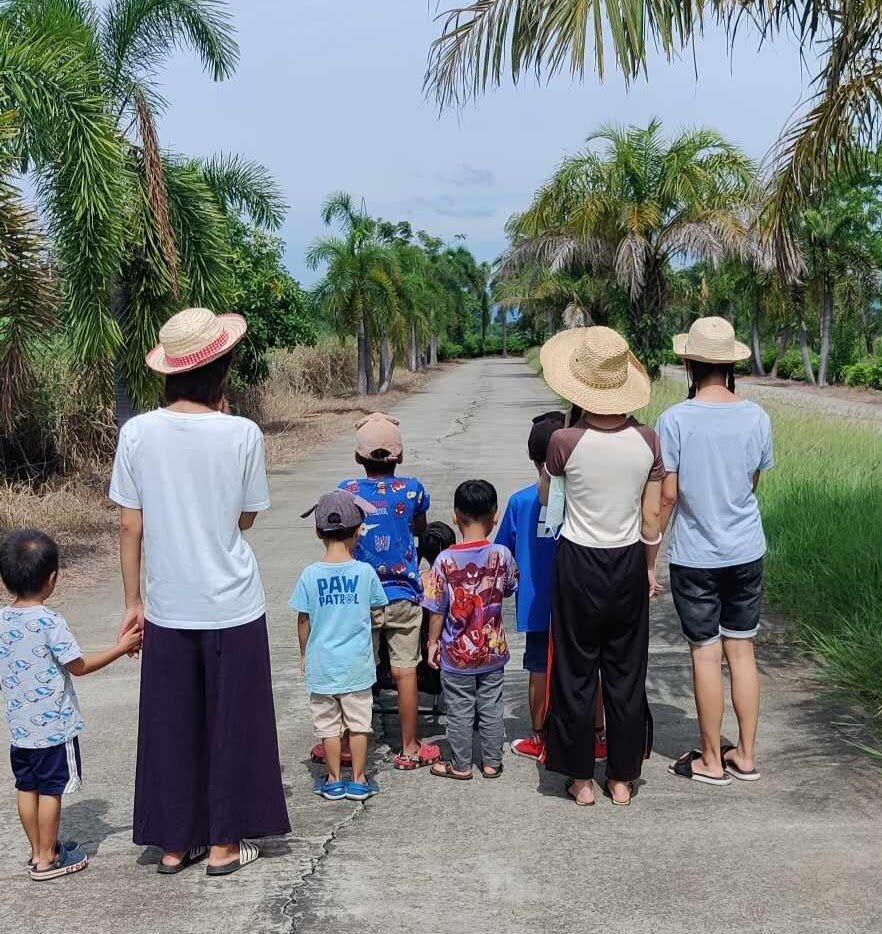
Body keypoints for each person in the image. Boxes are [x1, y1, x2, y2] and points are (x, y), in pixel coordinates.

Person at [111, 307, 290, 877]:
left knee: (171, 724)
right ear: (222, 368)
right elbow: (245, 519)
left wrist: (133, 602)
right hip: (232, 601)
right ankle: (223, 846)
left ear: (169, 371)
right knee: (233, 723)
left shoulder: (136, 432)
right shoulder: (242, 433)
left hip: (168, 603)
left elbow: (130, 525)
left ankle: (173, 843)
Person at [539, 326, 663, 807]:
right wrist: (649, 569)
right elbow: (651, 518)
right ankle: (622, 778)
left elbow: (549, 499)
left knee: (575, 671)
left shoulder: (563, 441)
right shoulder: (647, 440)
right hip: (627, 560)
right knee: (625, 672)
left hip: (577, 561)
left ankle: (580, 779)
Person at [657, 316, 773, 786]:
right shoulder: (756, 416)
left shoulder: (675, 419)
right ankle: (745, 754)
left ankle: (710, 759)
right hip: (746, 549)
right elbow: (752, 482)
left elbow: (668, 495)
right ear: (729, 365)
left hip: (695, 556)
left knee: (706, 654)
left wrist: (650, 554)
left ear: (689, 363)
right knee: (741, 651)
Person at [0, 529, 141, 880]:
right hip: (53, 729)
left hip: (20, 729)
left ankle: (37, 851)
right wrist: (122, 647)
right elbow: (79, 666)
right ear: (52, 579)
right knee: (51, 790)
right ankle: (49, 858)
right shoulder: (50, 622)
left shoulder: (3, 620)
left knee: (26, 787)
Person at [335, 413, 440, 771]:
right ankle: (410, 747)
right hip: (403, 595)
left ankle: (348, 743)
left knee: (358, 671)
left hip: (361, 596)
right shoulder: (413, 489)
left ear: (358, 457)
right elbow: (421, 527)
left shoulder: (347, 490)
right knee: (405, 671)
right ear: (400, 456)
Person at [291, 490, 388, 801]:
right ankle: (359, 779)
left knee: (328, 726)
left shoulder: (310, 574)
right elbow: (378, 611)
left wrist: (304, 654)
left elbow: (303, 620)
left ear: (318, 532)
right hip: (357, 664)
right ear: (358, 530)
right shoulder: (365, 572)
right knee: (359, 723)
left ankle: (333, 780)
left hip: (322, 665)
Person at [424, 480, 519, 780]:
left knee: (459, 709)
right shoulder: (502, 554)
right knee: (491, 706)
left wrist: (432, 642)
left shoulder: (443, 560)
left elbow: (437, 608)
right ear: (495, 516)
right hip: (492, 650)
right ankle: (492, 763)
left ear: (455, 516)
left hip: (456, 653)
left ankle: (461, 765)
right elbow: (510, 586)